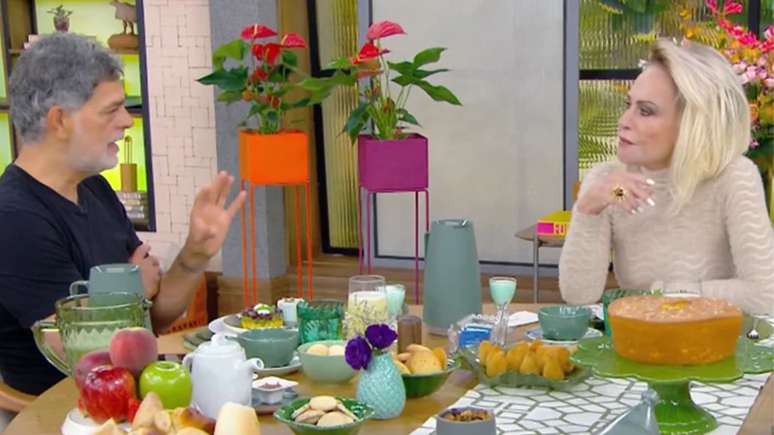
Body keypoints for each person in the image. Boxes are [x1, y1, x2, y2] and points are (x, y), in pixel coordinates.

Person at [0, 33, 246, 395]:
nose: (127, 121)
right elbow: (86, 358)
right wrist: (132, 293)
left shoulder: (95, 189)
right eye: (110, 110)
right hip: (64, 409)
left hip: (133, 394)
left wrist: (195, 254)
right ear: (60, 120)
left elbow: (152, 319)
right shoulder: (15, 218)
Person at [559, 39, 774, 315]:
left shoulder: (734, 178)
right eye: (628, 104)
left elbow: (765, 295)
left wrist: (664, 294)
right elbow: (578, 297)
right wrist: (588, 208)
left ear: (693, 124)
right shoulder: (609, 183)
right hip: (640, 335)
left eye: (645, 111)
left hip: (716, 337)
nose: (623, 121)